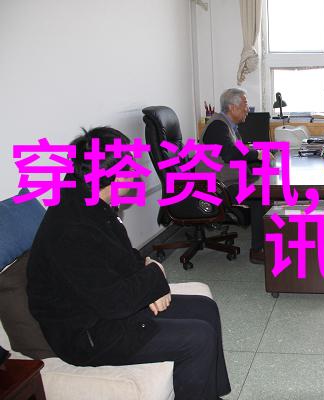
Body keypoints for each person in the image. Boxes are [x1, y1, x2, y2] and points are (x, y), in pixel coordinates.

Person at [27, 127, 231, 400]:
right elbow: (114, 302)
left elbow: (121, 255)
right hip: (88, 333)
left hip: (104, 308)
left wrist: (147, 275)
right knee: (198, 337)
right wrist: (154, 274)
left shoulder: (90, 201)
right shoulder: (71, 229)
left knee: (205, 308)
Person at [200, 87, 269, 264]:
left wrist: (258, 154)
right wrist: (258, 155)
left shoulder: (229, 126)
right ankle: (258, 250)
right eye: (245, 104)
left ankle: (270, 239)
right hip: (218, 187)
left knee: (267, 181)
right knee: (261, 196)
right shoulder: (217, 126)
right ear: (232, 107)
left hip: (228, 180)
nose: (248, 109)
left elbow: (239, 151)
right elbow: (230, 154)